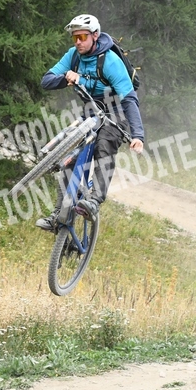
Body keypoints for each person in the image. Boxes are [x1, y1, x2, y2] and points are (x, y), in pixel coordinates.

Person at [35, 14, 145, 232]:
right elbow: (46, 80)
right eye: (74, 37)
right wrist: (66, 78)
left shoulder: (109, 61)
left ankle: (94, 201)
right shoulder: (73, 55)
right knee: (69, 157)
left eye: (83, 37)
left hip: (115, 111)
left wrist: (138, 135)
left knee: (105, 145)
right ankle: (58, 215)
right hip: (90, 112)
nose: (78, 42)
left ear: (95, 35)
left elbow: (129, 99)